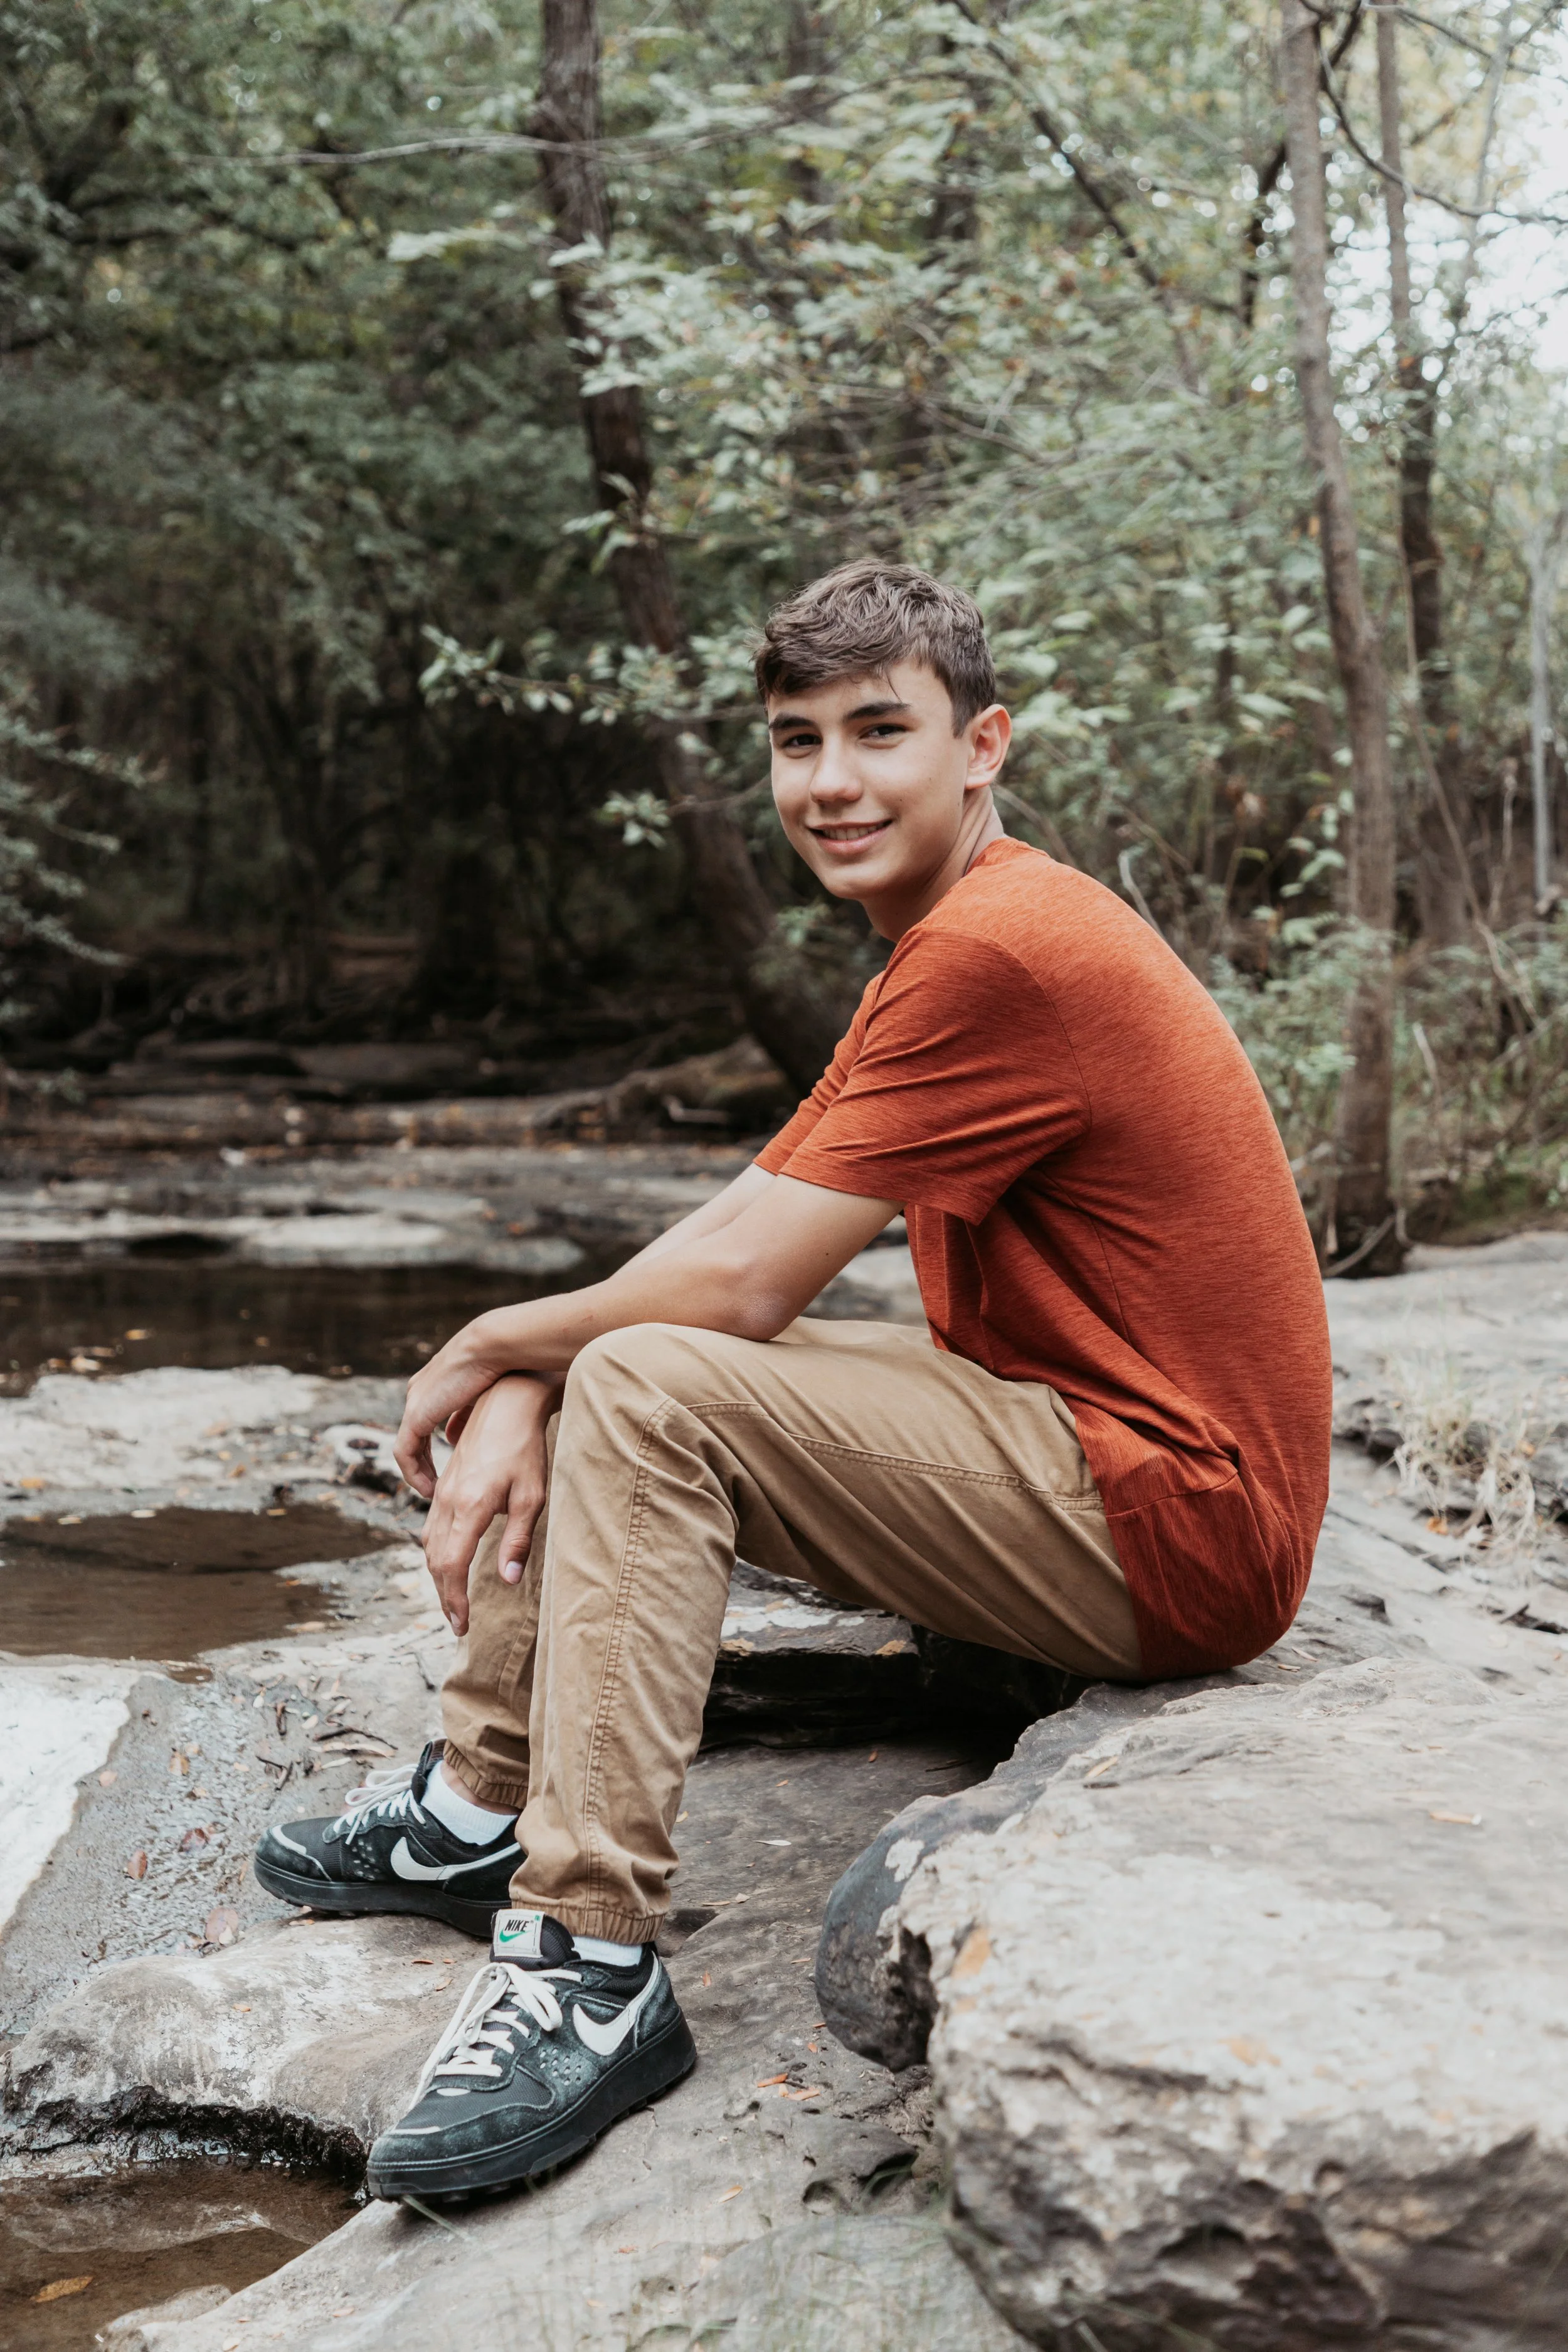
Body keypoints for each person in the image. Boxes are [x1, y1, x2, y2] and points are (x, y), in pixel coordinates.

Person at [254, 560, 1332, 2205]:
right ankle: (483, 1803)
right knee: (623, 1358)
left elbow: (752, 1282)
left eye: (876, 731)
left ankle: (586, 1962)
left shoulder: (1004, 952)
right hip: (1079, 1444)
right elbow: (748, 1214)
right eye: (793, 739)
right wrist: (550, 1356)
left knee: (652, 1384)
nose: (829, 782)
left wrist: (491, 1346)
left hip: (1173, 1524)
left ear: (982, 744)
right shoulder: (948, 930)